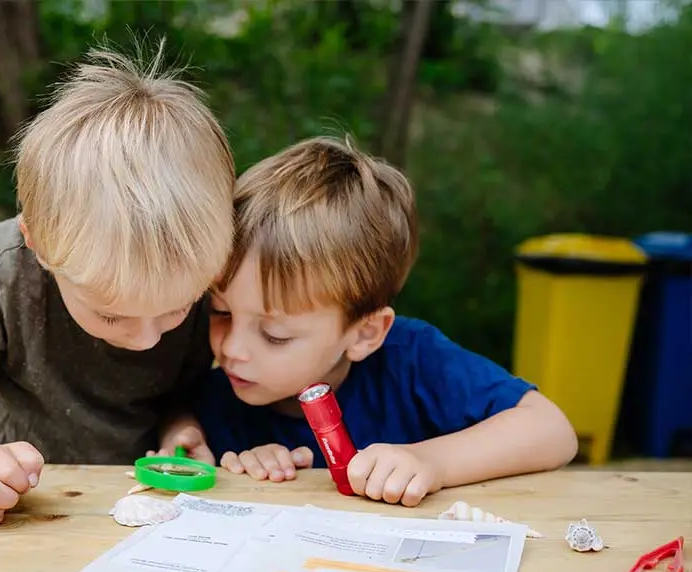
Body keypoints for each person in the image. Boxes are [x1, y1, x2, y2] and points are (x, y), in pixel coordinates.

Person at [0, 40, 236, 529]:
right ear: (38, 245)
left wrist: (180, 428)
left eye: (177, 310)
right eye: (111, 314)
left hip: (145, 501)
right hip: (31, 510)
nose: (147, 338)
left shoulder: (199, 270)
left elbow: (180, 393)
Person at [180, 136, 578, 507]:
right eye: (221, 312)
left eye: (274, 334)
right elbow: (180, 429)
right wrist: (212, 452)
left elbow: (551, 431)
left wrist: (428, 461)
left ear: (365, 333)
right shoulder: (222, 395)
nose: (231, 347)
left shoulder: (413, 361)